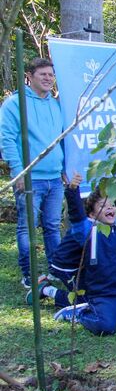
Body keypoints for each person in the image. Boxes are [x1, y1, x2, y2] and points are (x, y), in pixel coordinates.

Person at [41, 170, 116, 335]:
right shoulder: (87, 230)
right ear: (92, 214)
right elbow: (77, 215)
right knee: (105, 327)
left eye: (112, 204)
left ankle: (115, 312)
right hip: (103, 294)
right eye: (103, 205)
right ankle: (81, 312)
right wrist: (72, 191)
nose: (109, 208)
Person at [0, 58, 65, 288]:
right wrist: (19, 171)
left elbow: (62, 139)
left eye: (51, 75)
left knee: (52, 226)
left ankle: (56, 269)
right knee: (27, 227)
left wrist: (65, 169)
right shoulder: (15, 104)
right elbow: (6, 138)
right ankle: (29, 273)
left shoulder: (57, 105)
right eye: (43, 74)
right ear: (29, 75)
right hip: (31, 177)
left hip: (55, 178)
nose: (48, 79)